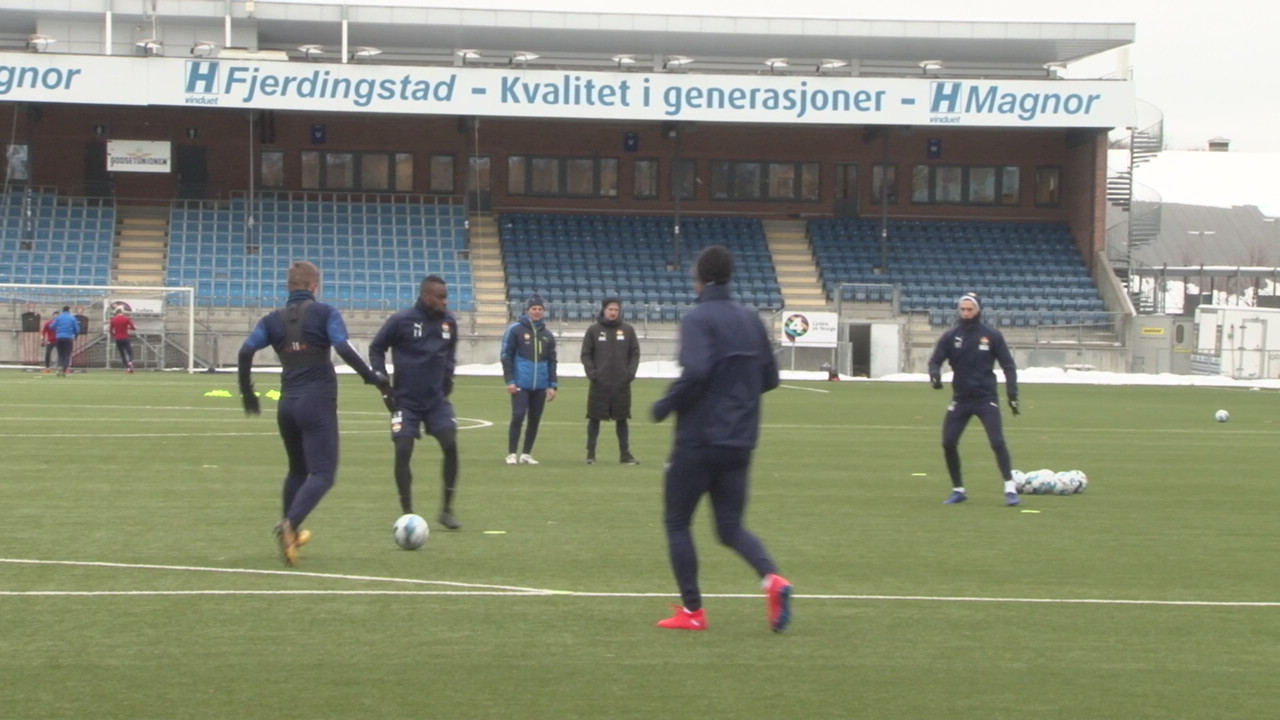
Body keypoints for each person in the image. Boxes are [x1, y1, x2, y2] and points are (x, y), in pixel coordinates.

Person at [651, 245, 792, 633]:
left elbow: (695, 371)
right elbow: (771, 378)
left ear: (699, 277)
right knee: (730, 525)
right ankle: (772, 578)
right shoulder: (751, 319)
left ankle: (693, 611)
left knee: (678, 522)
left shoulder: (698, 317)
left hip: (698, 439)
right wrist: (736, 397)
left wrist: (666, 403)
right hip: (740, 439)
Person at [237, 261, 391, 566]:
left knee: (297, 469)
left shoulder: (272, 320)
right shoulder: (325, 313)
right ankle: (290, 524)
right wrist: (371, 377)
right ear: (314, 286)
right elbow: (343, 347)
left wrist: (247, 392)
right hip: (316, 403)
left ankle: (289, 535)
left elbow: (245, 351)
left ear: (289, 287)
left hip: (287, 405)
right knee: (323, 473)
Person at [368, 275, 463, 530]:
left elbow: (450, 354)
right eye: (440, 297)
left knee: (451, 444)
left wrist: (448, 378)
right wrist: (383, 383)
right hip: (405, 402)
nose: (445, 302)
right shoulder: (401, 321)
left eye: (446, 297)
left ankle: (446, 510)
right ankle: (407, 513)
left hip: (436, 401)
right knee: (403, 450)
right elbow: (376, 348)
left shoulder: (449, 323)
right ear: (426, 296)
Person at [927, 292, 1021, 506]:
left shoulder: (991, 335)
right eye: (963, 309)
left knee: (997, 441)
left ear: (978, 310)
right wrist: (934, 375)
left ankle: (1010, 488)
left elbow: (1008, 366)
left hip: (985, 397)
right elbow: (935, 360)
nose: (966, 313)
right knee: (948, 442)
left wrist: (1012, 395)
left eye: (970, 309)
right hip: (961, 399)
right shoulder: (951, 336)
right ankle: (958, 489)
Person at [580, 296, 641, 465]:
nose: (613, 312)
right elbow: (586, 354)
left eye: (616, 310)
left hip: (621, 383)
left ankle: (625, 454)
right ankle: (590, 454)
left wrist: (629, 374)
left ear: (620, 311)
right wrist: (593, 374)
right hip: (600, 383)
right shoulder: (593, 330)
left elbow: (635, 353)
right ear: (604, 310)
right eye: (610, 309)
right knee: (594, 418)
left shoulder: (628, 330)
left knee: (622, 419)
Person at [500, 294, 558, 465]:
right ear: (528, 310)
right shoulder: (516, 329)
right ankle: (511, 453)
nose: (537, 312)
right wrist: (510, 380)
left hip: (540, 385)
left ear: (544, 311)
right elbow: (506, 356)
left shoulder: (547, 334)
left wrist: (552, 384)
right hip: (521, 383)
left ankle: (526, 454)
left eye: (540, 309)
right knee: (518, 416)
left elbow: (552, 361)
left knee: (535, 419)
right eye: (534, 309)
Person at [50, 305, 80, 377]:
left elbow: (51, 326)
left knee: (60, 354)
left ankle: (60, 366)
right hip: (68, 338)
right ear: (69, 310)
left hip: (59, 337)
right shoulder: (72, 318)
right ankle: (64, 370)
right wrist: (75, 335)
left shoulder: (59, 318)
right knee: (67, 355)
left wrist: (58, 330)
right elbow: (77, 329)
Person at [109, 307, 137, 373]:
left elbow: (111, 330)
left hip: (118, 338)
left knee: (122, 354)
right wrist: (129, 327)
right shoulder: (126, 318)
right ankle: (130, 362)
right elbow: (133, 327)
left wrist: (114, 335)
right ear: (122, 312)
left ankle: (128, 368)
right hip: (125, 337)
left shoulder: (113, 319)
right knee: (130, 352)